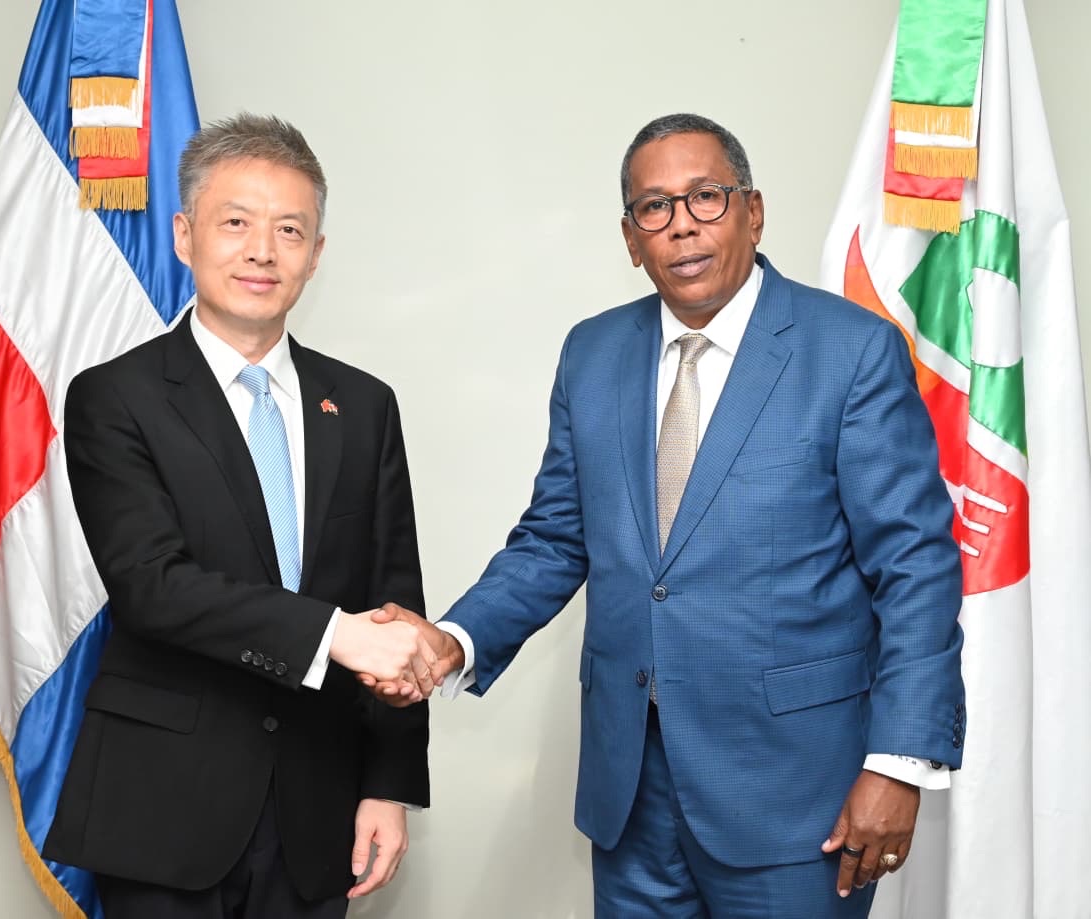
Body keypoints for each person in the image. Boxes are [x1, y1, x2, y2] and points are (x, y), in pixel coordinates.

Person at [369, 113, 966, 917]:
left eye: (706, 197)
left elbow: (916, 564)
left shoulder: (850, 351)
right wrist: (454, 640)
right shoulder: (592, 354)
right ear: (631, 237)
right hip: (631, 795)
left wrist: (897, 761)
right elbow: (554, 538)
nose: (682, 223)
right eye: (654, 207)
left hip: (797, 798)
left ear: (753, 211)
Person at [43, 113, 437, 919]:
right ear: (184, 235)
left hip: (320, 808)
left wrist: (389, 784)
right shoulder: (114, 397)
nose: (263, 250)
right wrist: (334, 634)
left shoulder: (363, 405)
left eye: (289, 230)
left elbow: (394, 603)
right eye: (235, 223)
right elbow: (152, 586)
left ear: (315, 254)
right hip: (164, 807)